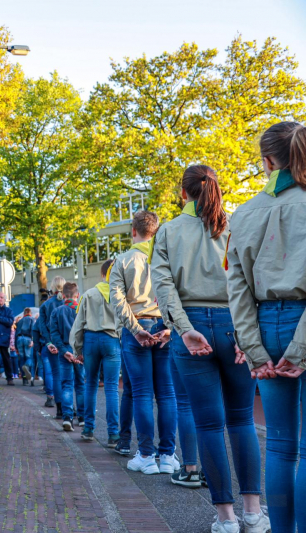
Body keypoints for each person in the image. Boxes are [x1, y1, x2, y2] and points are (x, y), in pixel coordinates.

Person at [152, 164, 267, 532]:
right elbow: (253, 280)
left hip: (192, 328)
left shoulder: (168, 231)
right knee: (242, 420)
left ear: (183, 193)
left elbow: (164, 287)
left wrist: (184, 330)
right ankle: (254, 511)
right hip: (235, 325)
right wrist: (249, 336)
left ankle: (225, 518)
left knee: (208, 424)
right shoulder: (236, 226)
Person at [226, 121, 306, 533]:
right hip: (302, 321)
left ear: (268, 159)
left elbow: (237, 289)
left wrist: (254, 349)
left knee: (278, 445)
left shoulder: (244, 213)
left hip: (265, 324)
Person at [110, 210, 178, 476]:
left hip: (136, 327)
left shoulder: (123, 260)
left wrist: (136, 329)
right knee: (167, 394)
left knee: (140, 393)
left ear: (133, 231)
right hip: (164, 327)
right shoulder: (167, 257)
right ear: (157, 230)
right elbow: (177, 294)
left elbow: (117, 300)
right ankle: (168, 455)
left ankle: (147, 455)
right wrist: (170, 328)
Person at [70, 260, 121, 446]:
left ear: (101, 273)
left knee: (90, 384)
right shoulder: (119, 294)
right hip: (112, 340)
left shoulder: (88, 295)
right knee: (111, 387)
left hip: (91, 340)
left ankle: (88, 429)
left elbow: (78, 324)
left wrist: (77, 349)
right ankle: (113, 434)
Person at [52, 282, 84, 431]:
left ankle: (67, 417)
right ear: (77, 295)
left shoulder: (57, 312)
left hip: (64, 352)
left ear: (63, 295)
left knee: (66, 384)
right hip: (80, 353)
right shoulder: (82, 310)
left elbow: (54, 334)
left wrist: (64, 351)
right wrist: (80, 352)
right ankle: (83, 417)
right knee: (81, 384)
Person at [39, 276, 68, 416]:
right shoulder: (69, 303)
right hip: (67, 344)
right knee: (69, 376)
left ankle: (60, 408)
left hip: (52, 344)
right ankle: (69, 406)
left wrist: (49, 342)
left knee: (56, 374)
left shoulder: (46, 305)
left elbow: (42, 327)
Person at [15, 308, 35, 385]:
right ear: (30, 313)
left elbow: (16, 333)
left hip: (19, 339)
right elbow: (33, 330)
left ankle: (24, 378)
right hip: (28, 338)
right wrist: (33, 340)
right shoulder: (32, 319)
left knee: (22, 358)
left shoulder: (19, 321)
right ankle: (26, 366)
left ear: (24, 313)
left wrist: (16, 346)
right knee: (29, 357)